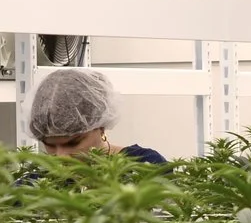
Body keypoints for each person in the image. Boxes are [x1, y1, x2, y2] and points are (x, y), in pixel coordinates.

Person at [27, 66, 168, 163]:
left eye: (73, 143)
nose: (62, 156)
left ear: (100, 126)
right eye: (50, 146)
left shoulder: (144, 166)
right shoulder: (32, 184)